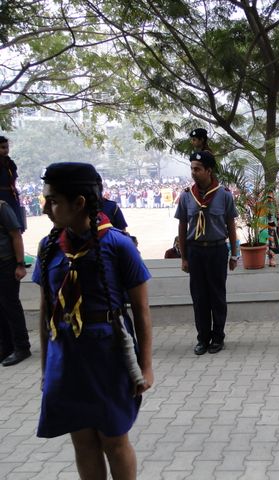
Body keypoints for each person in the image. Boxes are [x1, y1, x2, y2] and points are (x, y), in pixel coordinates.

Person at [33, 162, 153, 479]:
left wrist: (145, 366)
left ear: (79, 203)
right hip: (66, 356)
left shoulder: (119, 245)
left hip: (108, 355)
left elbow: (141, 311)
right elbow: (46, 312)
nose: (44, 209)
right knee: (82, 440)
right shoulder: (48, 248)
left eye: (53, 201)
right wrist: (46, 369)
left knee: (114, 439)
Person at [175, 151, 238, 355]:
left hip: (217, 250)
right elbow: (182, 227)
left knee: (217, 296)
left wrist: (234, 254)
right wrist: (184, 257)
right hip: (195, 251)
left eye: (197, 169)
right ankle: (202, 338)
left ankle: (218, 337)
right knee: (199, 297)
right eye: (192, 169)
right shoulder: (186, 196)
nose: (193, 172)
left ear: (208, 170)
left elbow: (231, 225)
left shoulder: (224, 195)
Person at [0, 199, 30, 366]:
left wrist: (20, 264)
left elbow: (16, 235)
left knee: (10, 306)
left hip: (6, 264)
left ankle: (22, 347)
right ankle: (6, 347)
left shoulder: (2, 207)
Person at [0, 136, 25, 232]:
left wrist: (14, 190)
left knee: (15, 224)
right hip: (1, 197)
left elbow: (14, 179)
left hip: (11, 195)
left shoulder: (10, 163)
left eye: (7, 147)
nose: (6, 150)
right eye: (3, 147)